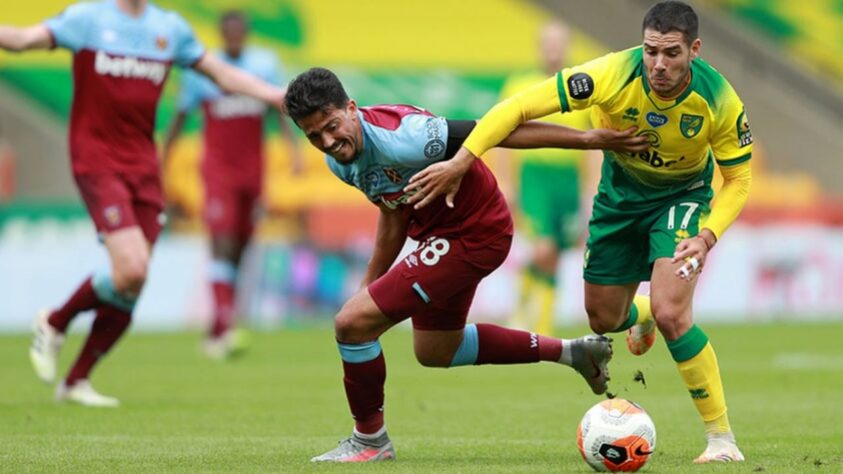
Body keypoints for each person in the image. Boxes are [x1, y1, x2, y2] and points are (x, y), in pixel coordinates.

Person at [407, 1, 752, 464]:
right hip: (618, 200)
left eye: (671, 54)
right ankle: (642, 313)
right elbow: (517, 107)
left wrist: (707, 236)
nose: (659, 65)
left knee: (675, 312)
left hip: (682, 198)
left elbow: (739, 179)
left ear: (694, 49)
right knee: (603, 318)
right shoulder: (611, 74)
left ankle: (721, 439)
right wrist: (462, 160)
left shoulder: (719, 100)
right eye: (651, 51)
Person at [284, 67, 649, 463]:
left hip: (476, 232)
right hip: (444, 237)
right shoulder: (342, 161)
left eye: (332, 126)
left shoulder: (408, 137)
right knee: (437, 349)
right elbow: (392, 213)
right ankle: (574, 353)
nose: (328, 141)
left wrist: (588, 139)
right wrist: (369, 285)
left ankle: (370, 441)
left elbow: (497, 129)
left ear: (351, 108)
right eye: (314, 136)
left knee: (350, 325)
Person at [0, 0, 287, 406]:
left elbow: (221, 73)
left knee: (131, 284)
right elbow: (26, 38)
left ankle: (75, 381)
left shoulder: (168, 28)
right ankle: (55, 320)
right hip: (97, 160)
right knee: (131, 267)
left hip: (144, 166)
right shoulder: (89, 19)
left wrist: (276, 95)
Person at [162, 10, 303, 359]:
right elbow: (180, 117)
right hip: (218, 172)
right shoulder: (205, 71)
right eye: (229, 32)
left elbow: (278, 110)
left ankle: (217, 327)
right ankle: (226, 327)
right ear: (223, 34)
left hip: (253, 172)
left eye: (239, 32)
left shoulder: (264, 66)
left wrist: (294, 151)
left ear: (246, 33)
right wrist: (163, 159)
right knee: (221, 240)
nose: (234, 38)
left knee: (240, 247)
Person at [497, 20, 597, 335]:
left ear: (567, 47)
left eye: (559, 43)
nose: (553, 50)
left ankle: (541, 322)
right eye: (548, 44)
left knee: (556, 252)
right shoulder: (518, 85)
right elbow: (500, 135)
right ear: (540, 47)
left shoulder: (582, 89)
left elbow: (594, 142)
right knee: (543, 248)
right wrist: (506, 181)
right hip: (534, 177)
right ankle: (526, 313)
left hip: (567, 179)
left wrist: (591, 188)